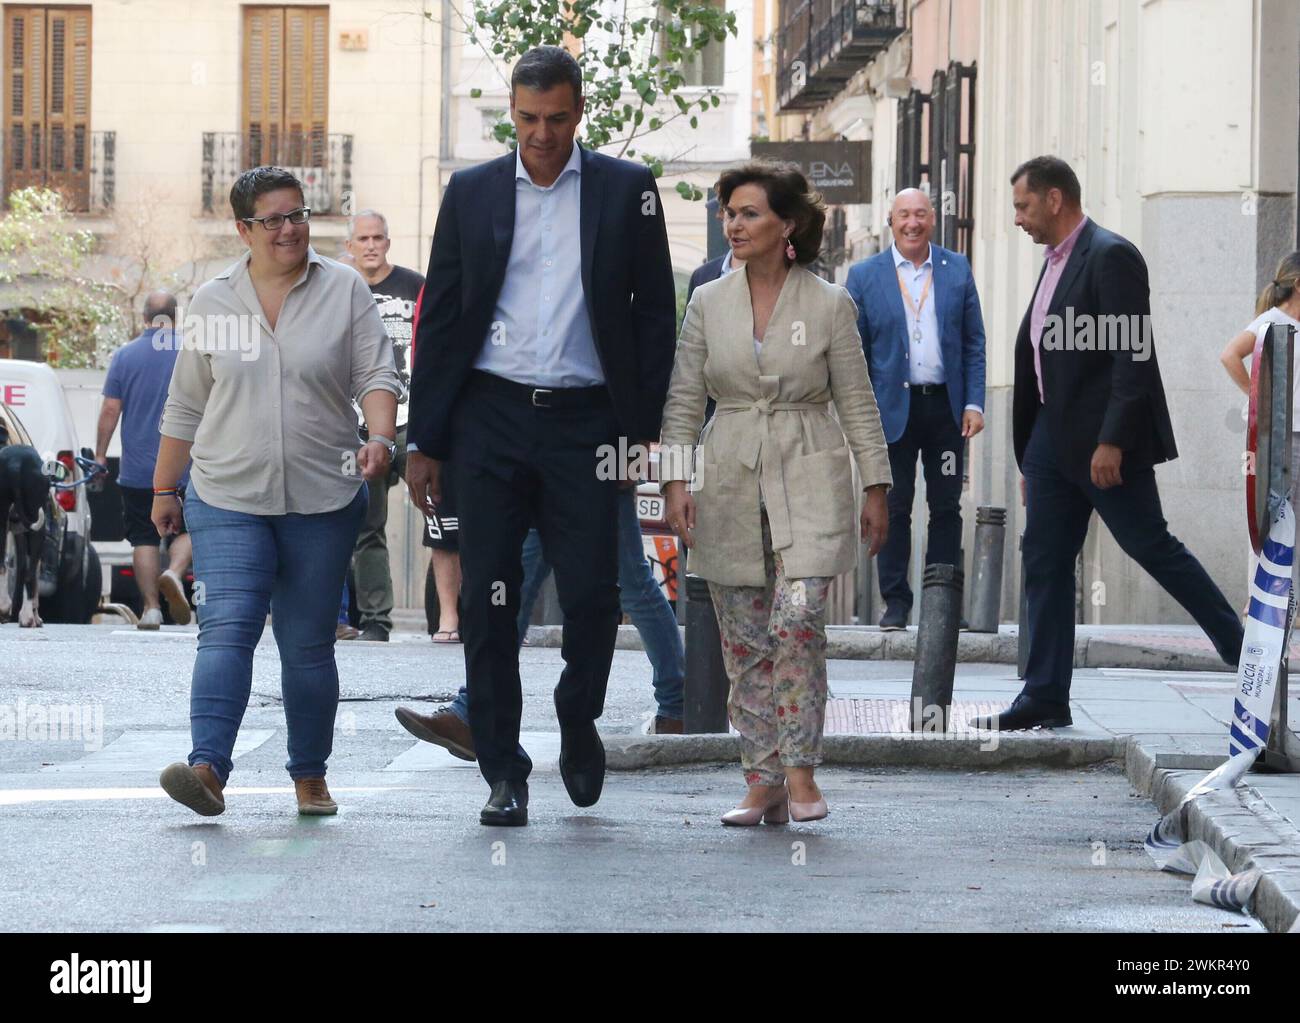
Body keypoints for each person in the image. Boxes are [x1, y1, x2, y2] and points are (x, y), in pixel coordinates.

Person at [405, 45, 676, 828]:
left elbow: (656, 315)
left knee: (594, 595)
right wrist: (427, 436)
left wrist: (642, 432)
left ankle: (576, 716)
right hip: (488, 420)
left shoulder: (628, 190)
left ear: (579, 112)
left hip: (589, 421)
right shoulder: (472, 192)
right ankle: (503, 768)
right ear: (512, 114)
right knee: (491, 601)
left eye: (557, 119)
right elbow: (444, 316)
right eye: (528, 120)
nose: (543, 135)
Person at [153, 166, 401, 817]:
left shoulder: (344, 289)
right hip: (227, 493)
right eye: (274, 219)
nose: (290, 228)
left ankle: (310, 774)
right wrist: (162, 487)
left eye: (298, 215)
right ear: (243, 230)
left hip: (323, 497)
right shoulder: (214, 301)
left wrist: (381, 436)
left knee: (307, 641)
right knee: (227, 627)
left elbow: (376, 371)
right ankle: (207, 767)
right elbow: (185, 404)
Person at [973, 156, 1244, 732]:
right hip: (1050, 437)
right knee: (1043, 560)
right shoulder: (1052, 262)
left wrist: (1113, 440)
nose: (1017, 219)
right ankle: (1044, 694)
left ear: (1053, 199)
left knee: (1151, 545)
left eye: (1023, 206)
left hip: (1101, 442)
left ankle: (1243, 652)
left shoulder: (1110, 254)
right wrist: (1033, 455)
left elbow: (1132, 354)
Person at [660, 161, 892, 826]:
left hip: (809, 471)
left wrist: (876, 484)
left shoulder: (829, 303)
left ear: (786, 224)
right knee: (742, 636)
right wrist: (676, 479)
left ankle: (801, 771)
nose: (734, 223)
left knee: (797, 619)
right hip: (729, 472)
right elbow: (683, 399)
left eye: (750, 213)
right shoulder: (708, 300)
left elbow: (857, 398)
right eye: (729, 212)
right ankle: (761, 779)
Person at [395, 490, 687, 761]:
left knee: (632, 584)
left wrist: (625, 456)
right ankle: (474, 708)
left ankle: (676, 705)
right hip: (544, 461)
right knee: (515, 588)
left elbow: (638, 433)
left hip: (596, 461)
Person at [846, 188, 987, 629]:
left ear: (932, 219)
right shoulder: (864, 276)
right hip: (891, 413)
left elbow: (973, 341)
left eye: (921, 214)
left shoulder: (956, 268)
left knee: (946, 507)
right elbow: (854, 352)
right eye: (904, 215)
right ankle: (896, 603)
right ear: (891, 221)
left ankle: (943, 601)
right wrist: (859, 416)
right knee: (895, 506)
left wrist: (973, 402)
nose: (913, 223)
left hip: (945, 411)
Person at [340, 209, 428, 642]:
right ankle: (376, 622)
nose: (371, 245)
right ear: (350, 247)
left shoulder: (415, 286)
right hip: (359, 426)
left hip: (412, 419)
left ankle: (453, 617)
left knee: (445, 520)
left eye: (378, 237)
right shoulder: (339, 289)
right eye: (363, 239)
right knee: (366, 527)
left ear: (388, 242)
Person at [95, 291, 194, 630]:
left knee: (144, 537)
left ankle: (151, 608)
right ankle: (175, 572)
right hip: (187, 466)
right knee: (192, 527)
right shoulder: (189, 351)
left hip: (139, 471)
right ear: (175, 318)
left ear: (143, 318)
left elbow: (111, 409)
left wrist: (99, 455)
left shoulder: (125, 356)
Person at [1220, 251, 1300, 599]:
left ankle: (1287, 602)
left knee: (1293, 520)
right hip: (1277, 437)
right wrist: (1258, 400)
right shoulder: (1271, 321)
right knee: (1269, 518)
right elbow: (1230, 354)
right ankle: (1260, 601)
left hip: (1295, 434)